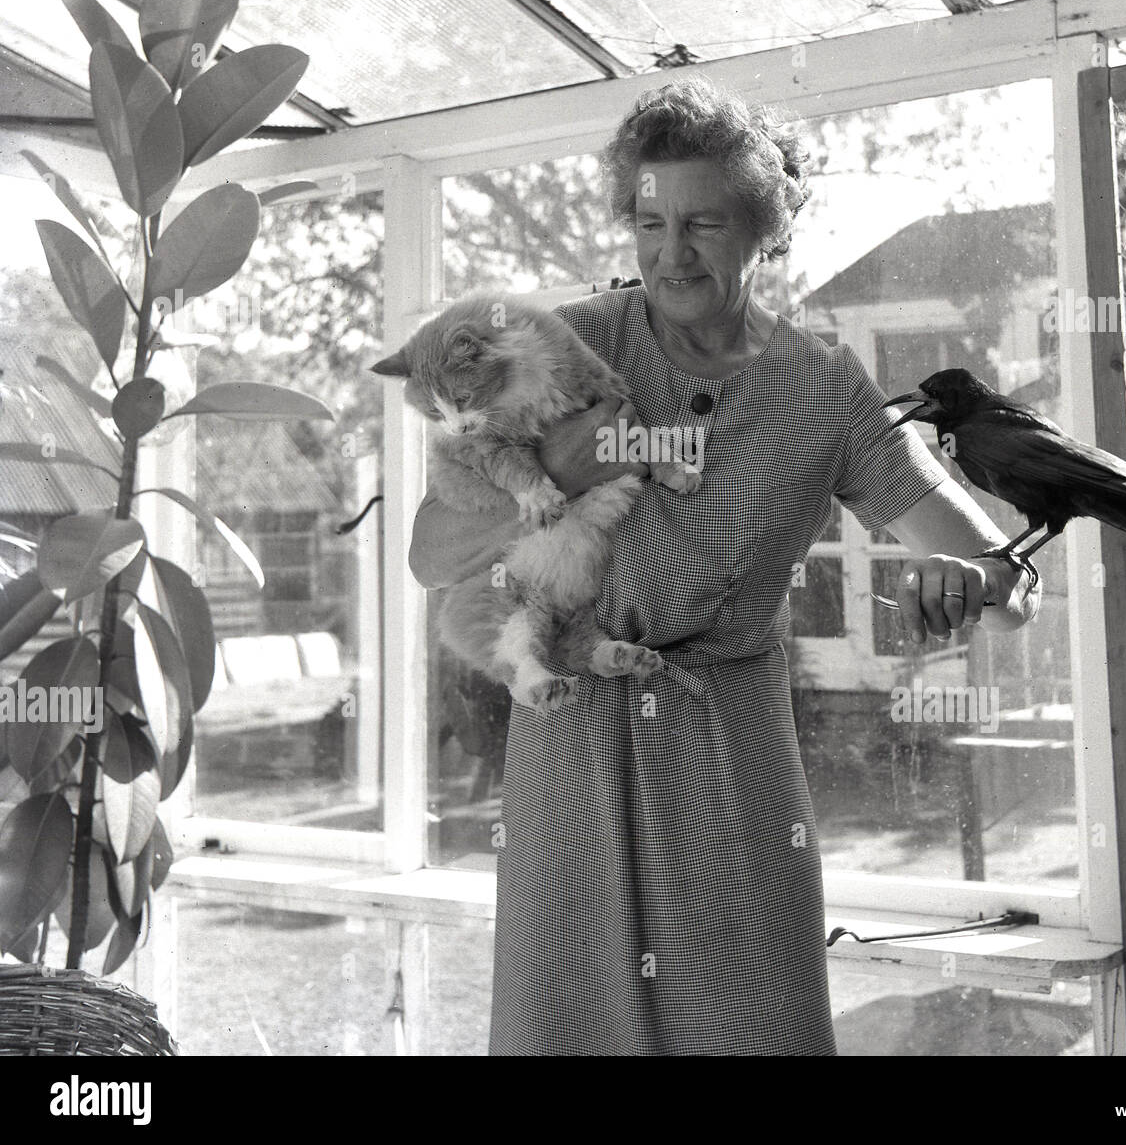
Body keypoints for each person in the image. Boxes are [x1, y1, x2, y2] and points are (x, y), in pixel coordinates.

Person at [409, 77, 1041, 1055]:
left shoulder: (824, 387)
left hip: (730, 767)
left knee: (747, 1025)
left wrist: (971, 582)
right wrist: (555, 464)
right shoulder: (565, 348)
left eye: (703, 222)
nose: (670, 253)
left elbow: (1004, 579)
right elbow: (428, 552)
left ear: (765, 225)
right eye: (649, 220)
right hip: (571, 748)